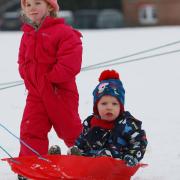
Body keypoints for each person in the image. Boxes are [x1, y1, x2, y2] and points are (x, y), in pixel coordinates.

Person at [18, 0, 83, 163]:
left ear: (49, 6)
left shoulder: (64, 32)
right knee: (31, 128)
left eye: (37, 3)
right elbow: (22, 60)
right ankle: (31, 163)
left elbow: (70, 62)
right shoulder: (27, 34)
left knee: (69, 128)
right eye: (28, 5)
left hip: (59, 92)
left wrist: (50, 79)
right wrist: (28, 76)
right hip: (35, 94)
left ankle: (86, 155)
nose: (32, 8)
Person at [67, 69, 148, 167]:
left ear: (120, 106)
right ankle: (66, 159)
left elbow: (139, 141)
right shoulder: (90, 122)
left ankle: (101, 160)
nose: (109, 107)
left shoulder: (126, 123)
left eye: (114, 104)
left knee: (105, 156)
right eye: (104, 103)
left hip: (117, 165)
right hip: (90, 164)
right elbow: (82, 141)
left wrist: (132, 156)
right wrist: (78, 149)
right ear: (96, 106)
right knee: (79, 152)